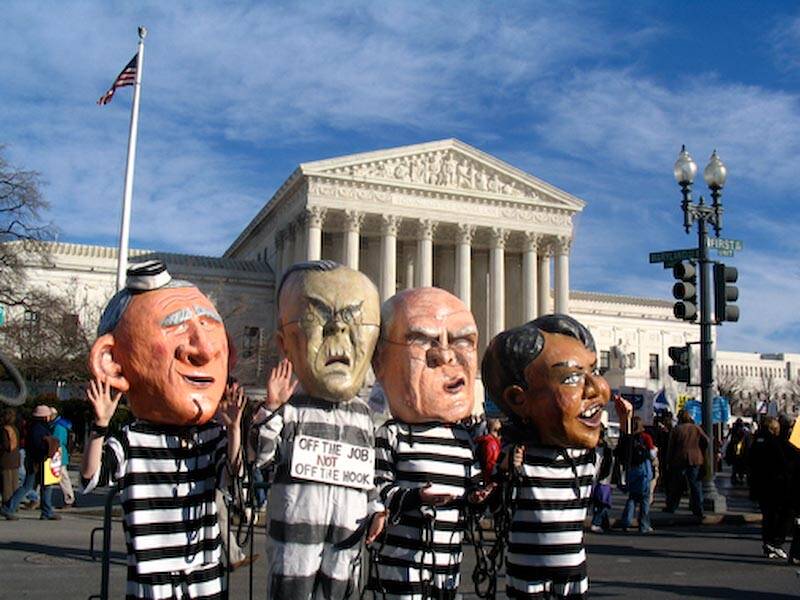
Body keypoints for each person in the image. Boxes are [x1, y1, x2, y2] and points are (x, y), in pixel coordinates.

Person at [80, 260, 244, 599]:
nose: (205, 348)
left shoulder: (210, 436)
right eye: (176, 327)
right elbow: (91, 477)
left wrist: (235, 429)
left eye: (210, 327)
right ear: (111, 362)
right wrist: (100, 425)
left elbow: (232, 475)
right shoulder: (133, 440)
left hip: (205, 576)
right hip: (152, 581)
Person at [248, 260, 380, 599]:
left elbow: (367, 471)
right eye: (319, 318)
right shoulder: (291, 409)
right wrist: (271, 409)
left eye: (355, 320)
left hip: (346, 535)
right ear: (285, 344)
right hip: (296, 532)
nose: (337, 332)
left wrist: (375, 507)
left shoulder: (363, 414)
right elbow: (260, 457)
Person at [481, 314, 631, 599]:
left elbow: (621, 467)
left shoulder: (587, 460)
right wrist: (503, 473)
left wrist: (625, 428)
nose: (597, 388)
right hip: (527, 573)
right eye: (572, 377)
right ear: (517, 399)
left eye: (595, 370)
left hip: (572, 573)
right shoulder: (518, 458)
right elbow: (495, 507)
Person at [365, 287, 490, 599]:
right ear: (379, 363)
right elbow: (378, 490)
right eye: (421, 340)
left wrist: (481, 495)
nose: (445, 355)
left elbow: (471, 491)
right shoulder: (392, 435)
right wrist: (417, 497)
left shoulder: (462, 439)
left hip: (448, 568)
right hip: (401, 565)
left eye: (463, 341)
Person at [1, 404, 60, 520]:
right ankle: (9, 508)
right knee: (39, 486)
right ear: (44, 417)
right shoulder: (40, 429)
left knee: (31, 486)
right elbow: (39, 446)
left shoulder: (33, 427)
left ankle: (10, 508)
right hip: (39, 462)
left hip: (35, 462)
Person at [748, 416, 792, 560]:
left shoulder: (756, 441)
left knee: (767, 516)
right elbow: (783, 462)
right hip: (776, 484)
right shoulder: (775, 442)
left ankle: (768, 543)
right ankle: (776, 542)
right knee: (782, 514)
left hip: (760, 484)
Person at [665, 409, 708, 518]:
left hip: (680, 459)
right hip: (695, 459)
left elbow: (671, 447)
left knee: (677, 485)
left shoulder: (677, 430)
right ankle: (698, 509)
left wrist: (668, 461)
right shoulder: (696, 428)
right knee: (695, 485)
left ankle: (672, 506)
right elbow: (706, 441)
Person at [617, 416, 656, 533]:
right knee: (644, 499)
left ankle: (626, 521)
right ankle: (644, 525)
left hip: (631, 469)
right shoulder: (645, 437)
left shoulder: (627, 439)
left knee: (632, 497)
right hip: (643, 468)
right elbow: (652, 453)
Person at [590, 423, 614, 533]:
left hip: (602, 479)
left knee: (602, 502)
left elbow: (608, 464)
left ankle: (597, 522)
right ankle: (602, 522)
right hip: (591, 477)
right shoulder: (590, 447)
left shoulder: (607, 449)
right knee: (598, 502)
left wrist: (603, 476)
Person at [49, 408, 75, 507]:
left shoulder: (57, 426)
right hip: (61, 454)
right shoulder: (62, 424)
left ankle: (69, 498)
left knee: (62, 477)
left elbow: (56, 441)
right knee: (62, 477)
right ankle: (69, 498)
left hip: (58, 455)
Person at [0, 408, 21, 505]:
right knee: (14, 484)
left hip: (5, 460)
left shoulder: (4, 430)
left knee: (6, 486)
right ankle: (14, 505)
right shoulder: (15, 429)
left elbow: (5, 445)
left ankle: (7, 506)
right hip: (15, 459)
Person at [475, 418, 503, 484]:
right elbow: (490, 465)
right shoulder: (491, 444)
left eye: (500, 431)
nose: (499, 435)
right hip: (489, 480)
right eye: (496, 431)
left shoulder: (484, 442)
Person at [724, 418, 751, 485]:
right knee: (741, 467)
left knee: (735, 467)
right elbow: (748, 444)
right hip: (742, 452)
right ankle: (740, 478)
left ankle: (735, 478)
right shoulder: (746, 433)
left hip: (735, 452)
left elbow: (729, 442)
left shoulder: (733, 431)